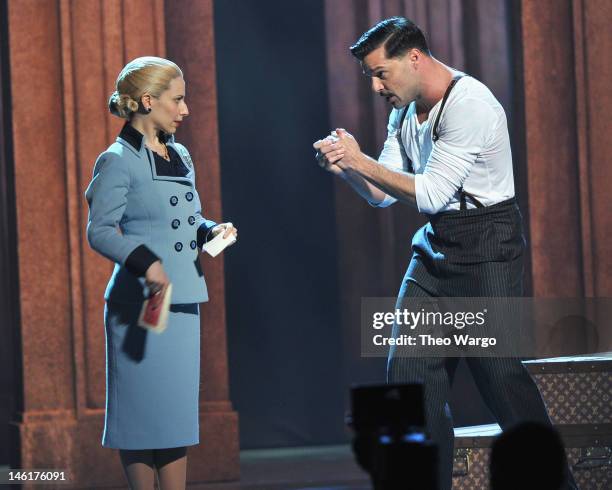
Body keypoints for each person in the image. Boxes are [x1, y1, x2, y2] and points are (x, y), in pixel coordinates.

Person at [313, 17, 577, 490]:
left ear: (414, 58)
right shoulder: (403, 111)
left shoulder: (470, 104)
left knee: (501, 380)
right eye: (370, 77)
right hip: (435, 250)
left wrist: (358, 159)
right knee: (409, 381)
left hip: (488, 247)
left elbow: (431, 193)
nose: (376, 87)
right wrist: (345, 169)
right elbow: (382, 195)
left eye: (381, 73)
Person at [85, 56, 237, 490]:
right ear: (149, 101)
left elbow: (188, 217)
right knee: (141, 421)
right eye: (179, 99)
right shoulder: (116, 160)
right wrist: (145, 261)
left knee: (173, 422)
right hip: (139, 305)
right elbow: (99, 231)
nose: (185, 109)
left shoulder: (180, 154)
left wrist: (212, 229)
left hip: (183, 301)